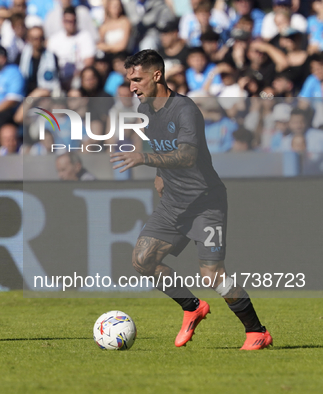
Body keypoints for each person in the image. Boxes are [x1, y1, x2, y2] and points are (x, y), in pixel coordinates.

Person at [110, 49, 271, 350]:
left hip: (205, 202)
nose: (131, 87)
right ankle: (192, 306)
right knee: (142, 261)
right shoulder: (145, 110)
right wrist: (159, 174)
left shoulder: (185, 109)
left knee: (212, 275)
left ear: (157, 76)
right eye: (129, 80)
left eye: (136, 79)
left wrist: (144, 158)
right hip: (173, 202)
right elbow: (158, 144)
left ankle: (256, 331)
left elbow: (187, 155)